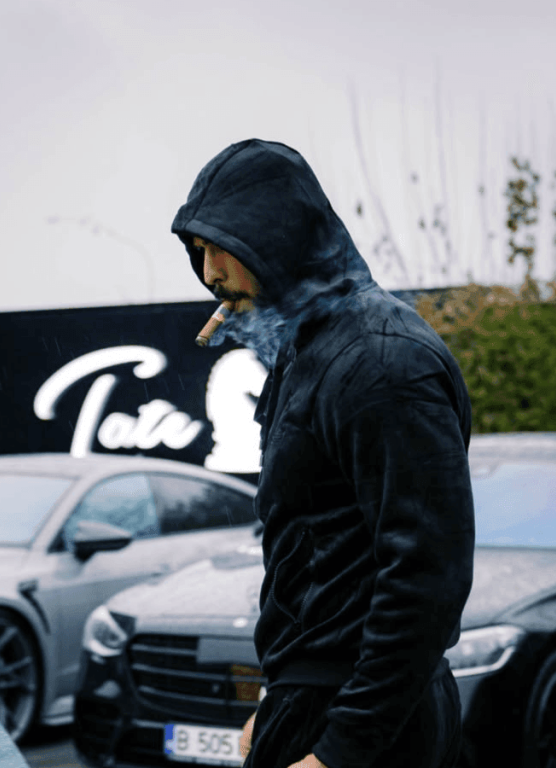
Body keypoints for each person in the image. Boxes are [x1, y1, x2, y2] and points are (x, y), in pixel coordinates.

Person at [171, 139, 475, 768]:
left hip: (366, 725)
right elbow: (316, 553)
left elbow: (426, 575)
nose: (210, 274)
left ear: (275, 236)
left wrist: (340, 747)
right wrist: (282, 695)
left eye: (222, 247)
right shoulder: (310, 348)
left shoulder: (381, 360)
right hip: (318, 701)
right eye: (199, 250)